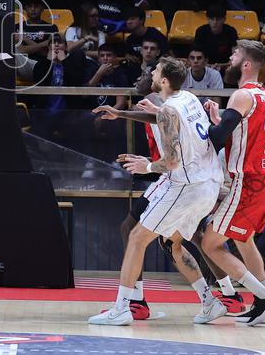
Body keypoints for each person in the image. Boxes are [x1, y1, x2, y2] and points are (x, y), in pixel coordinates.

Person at [89, 58, 228, 326]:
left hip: (186, 186)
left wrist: (147, 165)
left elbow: (172, 161)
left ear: (163, 81)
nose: (152, 73)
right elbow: (163, 117)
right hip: (208, 183)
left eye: (156, 71)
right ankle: (210, 302)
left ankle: (122, 308)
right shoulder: (188, 98)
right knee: (171, 243)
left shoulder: (168, 110)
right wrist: (122, 114)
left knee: (136, 237)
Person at [199, 40, 265, 325]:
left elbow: (218, 136)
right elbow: (241, 132)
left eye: (235, 54)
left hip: (249, 181)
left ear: (246, 64)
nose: (230, 58)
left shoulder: (241, 95)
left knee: (210, 243)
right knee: (244, 239)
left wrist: (198, 125)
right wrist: (218, 118)